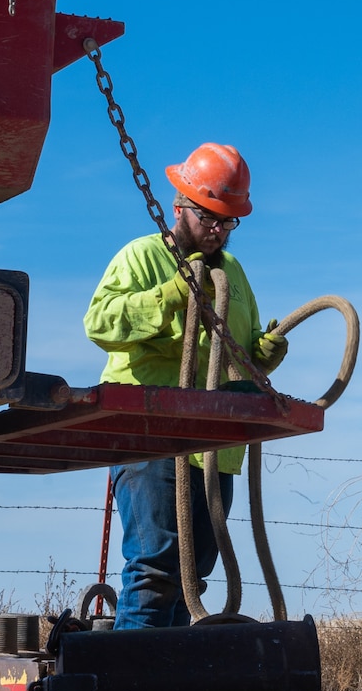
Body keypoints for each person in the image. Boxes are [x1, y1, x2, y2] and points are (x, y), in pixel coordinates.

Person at [84, 143, 290, 628]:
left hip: (212, 447)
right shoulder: (142, 257)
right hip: (149, 437)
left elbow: (235, 350)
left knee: (191, 581)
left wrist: (262, 356)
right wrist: (169, 298)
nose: (218, 230)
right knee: (155, 572)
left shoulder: (232, 274)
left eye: (228, 221)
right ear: (179, 207)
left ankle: (167, 690)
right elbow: (100, 322)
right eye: (209, 217)